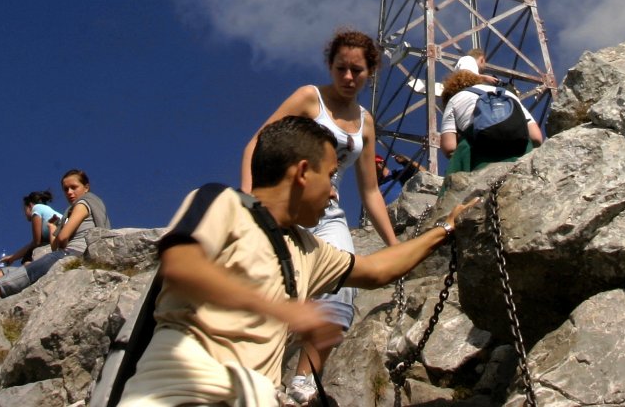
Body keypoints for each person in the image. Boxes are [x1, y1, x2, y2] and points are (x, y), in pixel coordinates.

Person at [116, 116, 478, 407]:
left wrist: (445, 228)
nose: (336, 191)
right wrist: (284, 310)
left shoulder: (309, 249)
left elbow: (376, 270)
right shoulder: (220, 201)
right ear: (303, 173)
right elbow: (181, 267)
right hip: (178, 388)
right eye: (331, 175)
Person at [238, 29, 400, 406]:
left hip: (328, 213)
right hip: (283, 204)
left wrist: (394, 245)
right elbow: (257, 141)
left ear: (370, 73)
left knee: (344, 285)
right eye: (341, 68)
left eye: (357, 70)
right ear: (330, 66)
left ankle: (304, 381)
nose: (348, 77)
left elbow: (371, 191)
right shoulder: (309, 98)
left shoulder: (365, 122)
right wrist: (248, 199)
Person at [0, 169, 111, 304]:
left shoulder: (77, 204)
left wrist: (14, 257)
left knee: (4, 282)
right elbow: (55, 245)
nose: (69, 192)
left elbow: (49, 240)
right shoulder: (93, 207)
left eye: (74, 187)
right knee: (6, 278)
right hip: (72, 255)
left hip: (67, 254)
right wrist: (53, 229)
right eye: (66, 189)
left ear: (86, 187)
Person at [439, 54, 543, 172]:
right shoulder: (507, 94)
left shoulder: (455, 99)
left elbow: (450, 147)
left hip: (479, 164)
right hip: (521, 164)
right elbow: (536, 137)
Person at [0, 190, 66, 266]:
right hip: (63, 236)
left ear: (30, 205)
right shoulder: (46, 209)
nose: (25, 214)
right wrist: (12, 257)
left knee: (28, 257)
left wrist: (13, 258)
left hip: (62, 236)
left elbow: (36, 242)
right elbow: (34, 243)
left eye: (25, 210)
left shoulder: (36, 208)